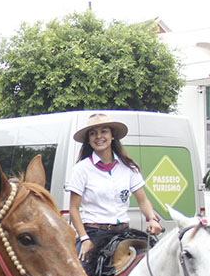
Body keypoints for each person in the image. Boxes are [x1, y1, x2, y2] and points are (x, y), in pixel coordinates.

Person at [66, 114, 164, 267]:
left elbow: (143, 200)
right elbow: (74, 209)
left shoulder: (128, 168)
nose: (99, 136)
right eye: (93, 133)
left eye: (104, 131)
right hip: (94, 234)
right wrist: (84, 239)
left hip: (124, 233)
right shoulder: (81, 169)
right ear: (89, 140)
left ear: (112, 136)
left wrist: (151, 218)